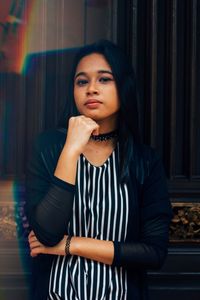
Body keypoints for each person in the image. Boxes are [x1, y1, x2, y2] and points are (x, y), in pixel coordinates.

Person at [26, 40, 172, 300]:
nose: (91, 89)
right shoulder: (48, 148)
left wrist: (71, 245)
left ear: (123, 87)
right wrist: (71, 149)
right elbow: (47, 234)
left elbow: (153, 253)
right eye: (82, 82)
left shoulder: (145, 162)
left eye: (104, 79)